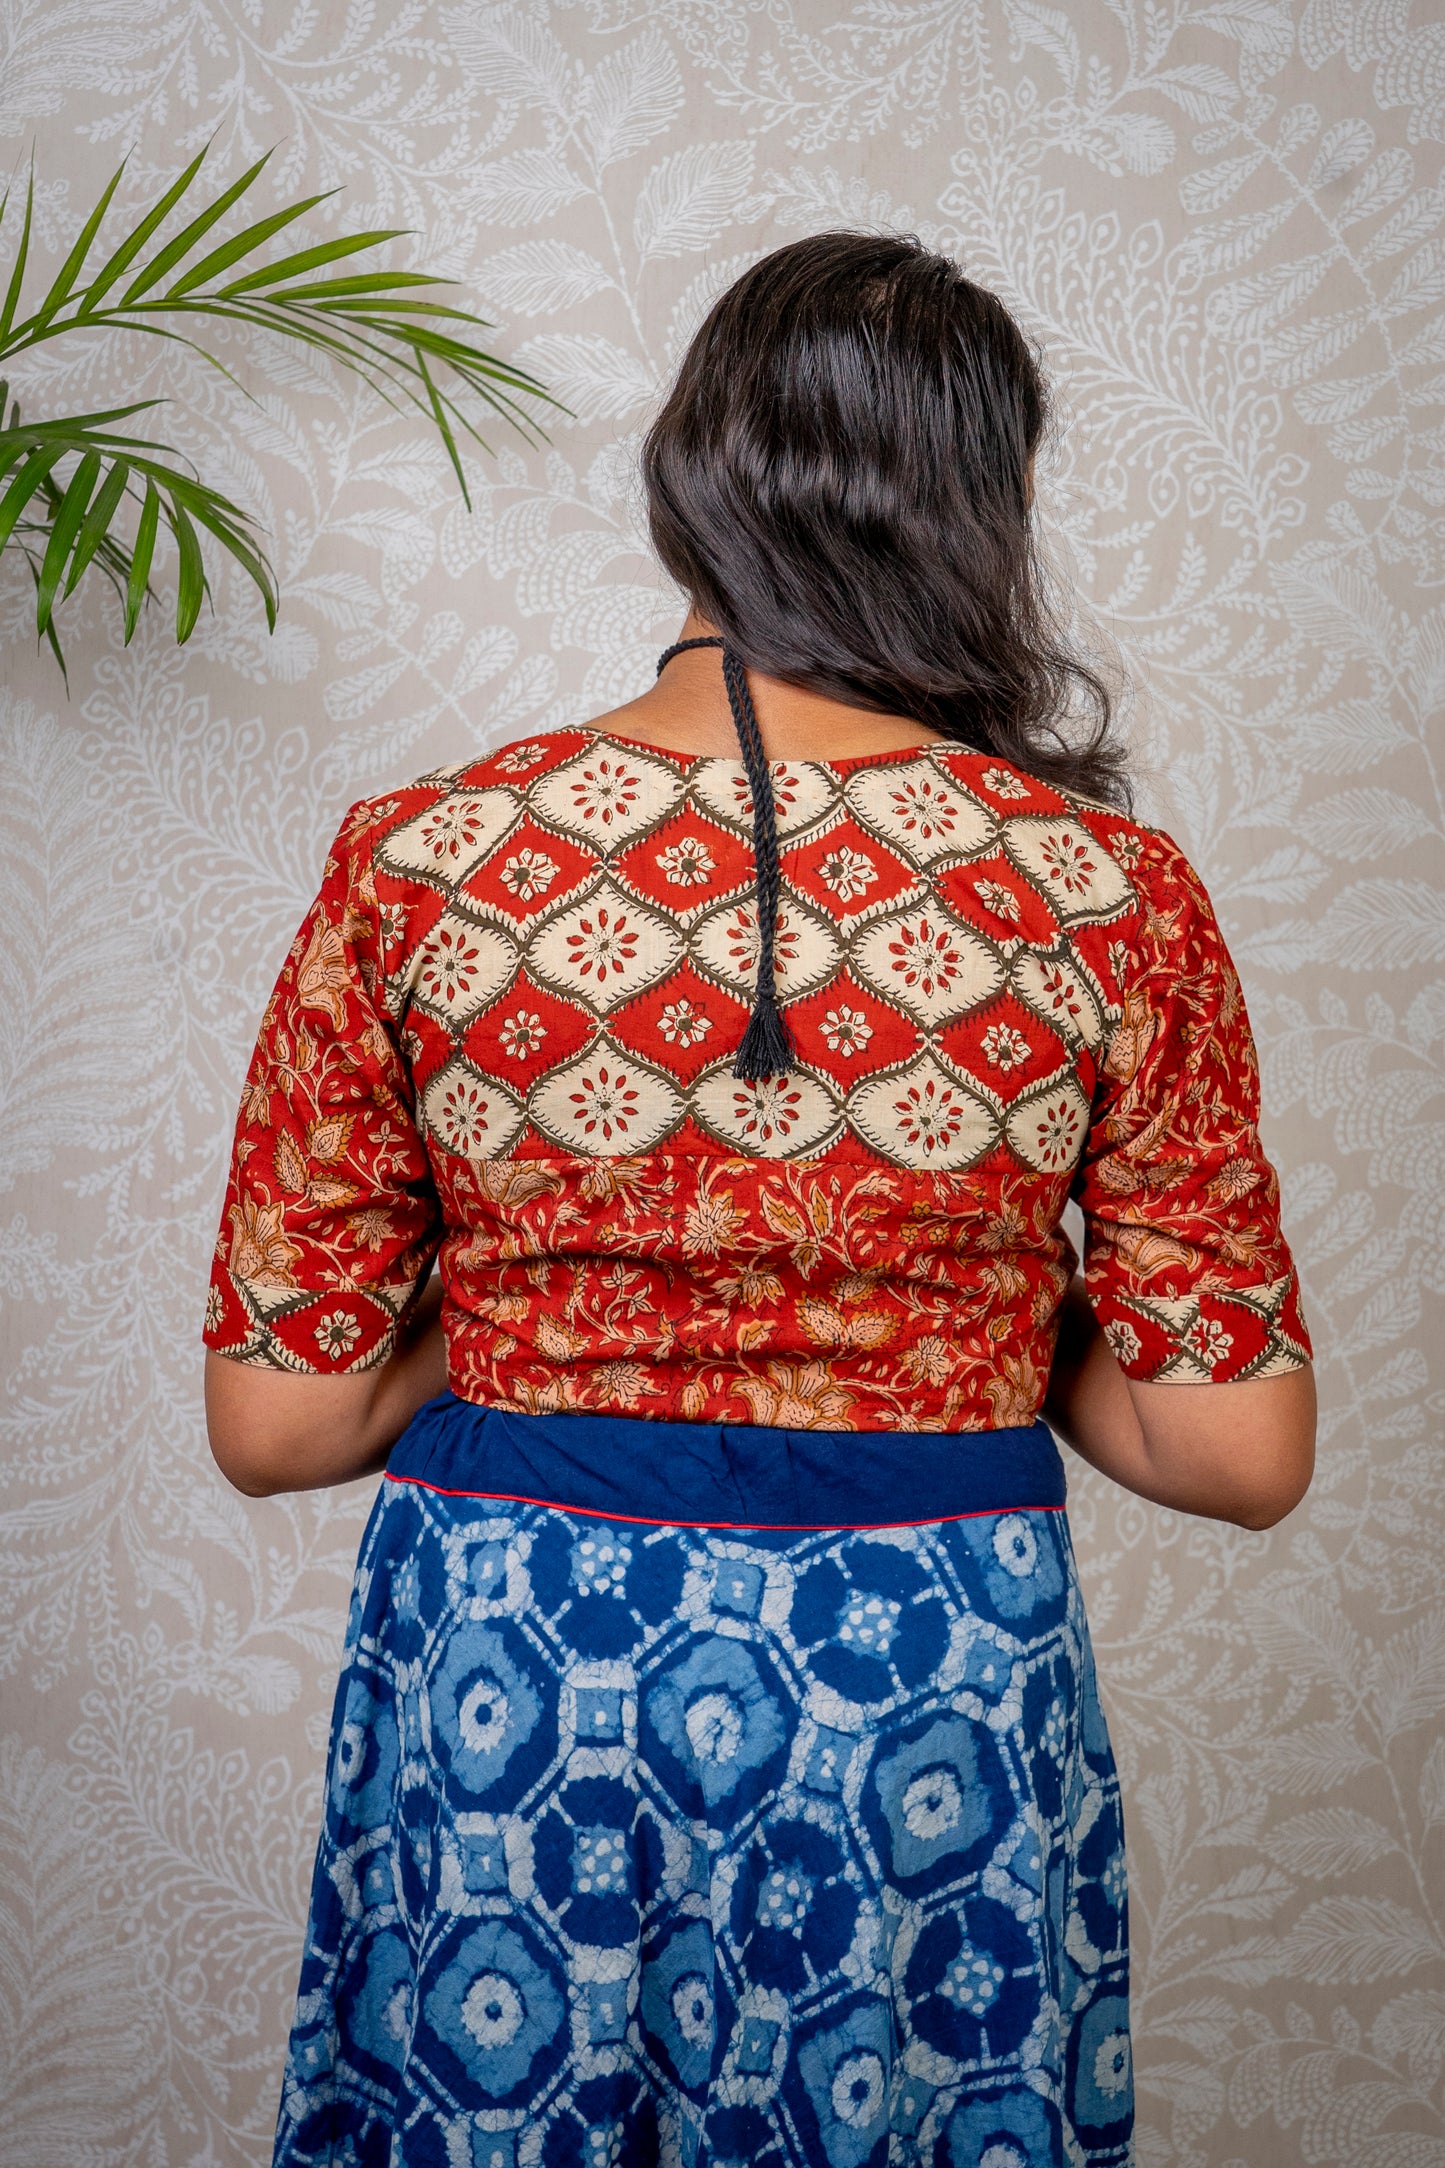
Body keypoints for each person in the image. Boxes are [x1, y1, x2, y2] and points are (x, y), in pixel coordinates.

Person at [203, 232, 1315, 2168]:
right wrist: (945, 1280)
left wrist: (556, 1269)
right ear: (991, 506)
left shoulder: (426, 859)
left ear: (686, 485)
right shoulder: (1105, 892)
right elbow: (1232, 1453)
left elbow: (282, 1423)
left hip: (513, 1668)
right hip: (927, 1668)